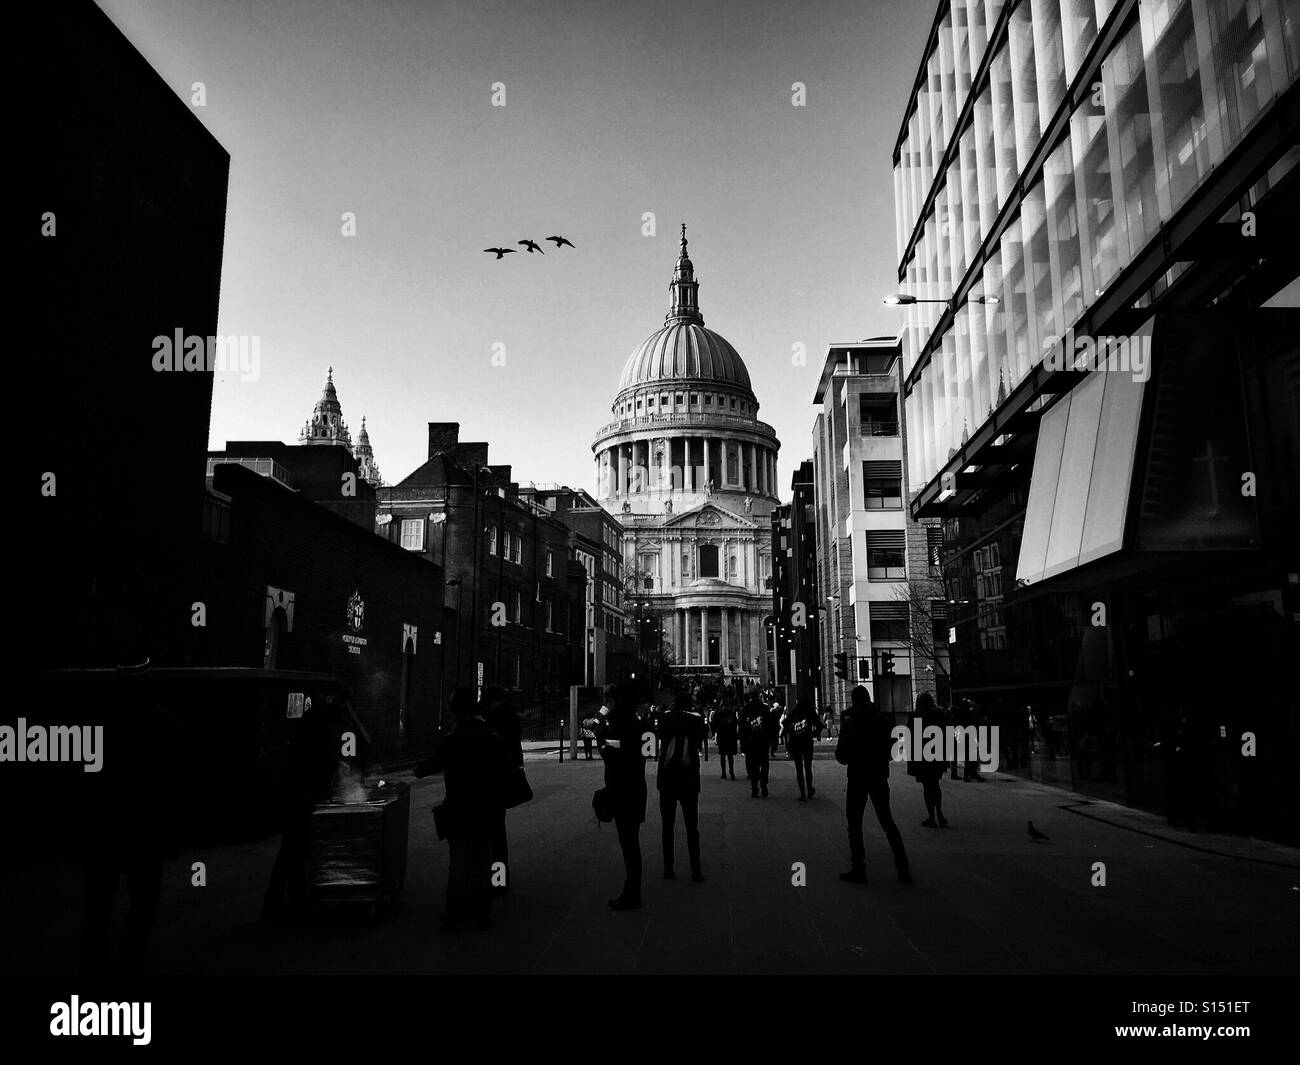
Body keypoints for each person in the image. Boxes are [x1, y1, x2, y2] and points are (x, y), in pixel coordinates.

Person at [80, 657, 182, 977]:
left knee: (98, 904)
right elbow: (172, 782)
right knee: (144, 902)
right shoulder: (164, 723)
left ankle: (95, 963)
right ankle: (128, 962)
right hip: (145, 829)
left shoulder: (99, 725)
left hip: (105, 827)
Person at [426, 687, 510, 933]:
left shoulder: (453, 738)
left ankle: (454, 916)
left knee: (459, 864)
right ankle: (482, 914)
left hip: (459, 808)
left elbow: (436, 762)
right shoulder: (488, 734)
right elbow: (504, 764)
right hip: (485, 809)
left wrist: (419, 770)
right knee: (483, 862)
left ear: (454, 710)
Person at [262, 687, 341, 922]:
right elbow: (320, 761)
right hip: (304, 796)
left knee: (292, 850)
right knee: (295, 849)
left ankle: (283, 900)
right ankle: (289, 901)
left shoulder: (309, 725)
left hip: (298, 794)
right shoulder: (320, 727)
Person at [837, 685, 912, 885]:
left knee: (854, 824)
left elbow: (841, 756)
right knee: (888, 822)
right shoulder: (883, 721)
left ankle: (859, 868)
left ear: (853, 701)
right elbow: (892, 750)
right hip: (878, 776)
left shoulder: (850, 723)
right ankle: (902, 867)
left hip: (857, 777)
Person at [599, 683, 648, 911]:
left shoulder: (617, 725)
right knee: (632, 843)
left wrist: (603, 714)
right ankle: (632, 891)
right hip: (637, 787)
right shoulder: (640, 724)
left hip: (622, 789)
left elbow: (606, 751)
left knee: (628, 844)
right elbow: (648, 753)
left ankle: (632, 894)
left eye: (611, 701)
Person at [656, 691, 708, 881]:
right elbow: (700, 740)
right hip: (688, 778)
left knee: (667, 826)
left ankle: (668, 867)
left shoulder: (665, 719)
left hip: (668, 777)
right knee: (692, 826)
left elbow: (660, 735)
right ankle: (696, 868)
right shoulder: (695, 721)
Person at [481, 686, 523, 891]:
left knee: (491, 836)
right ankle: (499, 880)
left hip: (490, 781)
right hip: (503, 780)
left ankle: (495, 880)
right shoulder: (512, 718)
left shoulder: (492, 722)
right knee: (498, 833)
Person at [907, 691, 949, 828]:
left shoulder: (915, 716)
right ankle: (940, 813)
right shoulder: (939, 714)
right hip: (937, 755)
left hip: (922, 757)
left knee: (927, 787)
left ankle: (932, 817)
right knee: (935, 785)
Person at [784, 695, 823, 801]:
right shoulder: (810, 712)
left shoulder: (795, 711)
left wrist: (792, 731)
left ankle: (802, 793)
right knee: (808, 767)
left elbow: (785, 723)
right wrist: (813, 734)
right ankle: (809, 789)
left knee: (799, 768)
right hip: (807, 742)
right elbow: (820, 725)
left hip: (795, 743)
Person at [740, 694, 773, 798]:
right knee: (764, 765)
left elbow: (742, 729)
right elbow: (769, 725)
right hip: (763, 742)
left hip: (750, 742)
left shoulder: (745, 709)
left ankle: (754, 787)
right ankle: (764, 786)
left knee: (752, 766)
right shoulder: (764, 708)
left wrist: (743, 744)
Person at [709, 698, 738, 781]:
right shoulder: (732, 714)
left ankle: (724, 773)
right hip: (730, 736)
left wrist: (715, 732)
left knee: (723, 755)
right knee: (730, 755)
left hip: (722, 736)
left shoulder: (719, 714)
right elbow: (735, 724)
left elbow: (714, 724)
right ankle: (731, 771)